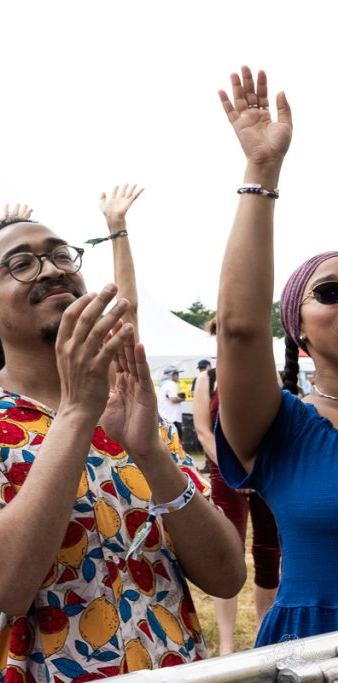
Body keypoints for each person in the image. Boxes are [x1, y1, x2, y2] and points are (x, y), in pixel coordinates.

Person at [0, 216, 245, 682]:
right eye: (21, 264)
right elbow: (6, 584)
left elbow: (227, 576)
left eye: (61, 255)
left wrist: (150, 453)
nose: (51, 269)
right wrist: (75, 413)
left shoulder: (131, 405)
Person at [214, 66, 338, 646]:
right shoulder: (282, 427)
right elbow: (239, 330)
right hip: (314, 653)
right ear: (298, 332)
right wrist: (262, 169)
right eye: (330, 292)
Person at [193, 349, 279, 654]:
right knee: (228, 551)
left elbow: (277, 424)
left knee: (269, 552)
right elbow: (203, 431)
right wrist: (235, 469)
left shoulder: (267, 371)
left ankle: (264, 633)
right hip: (224, 474)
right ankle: (226, 644)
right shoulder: (207, 379)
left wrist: (255, 469)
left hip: (263, 472)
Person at [158, 366, 185, 435]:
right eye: (177, 374)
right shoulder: (171, 384)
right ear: (172, 375)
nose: (178, 376)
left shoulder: (164, 385)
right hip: (172, 419)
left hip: (164, 418)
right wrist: (182, 399)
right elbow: (173, 399)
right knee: (176, 440)